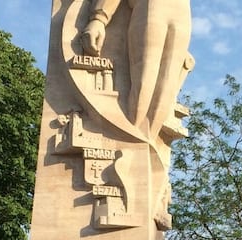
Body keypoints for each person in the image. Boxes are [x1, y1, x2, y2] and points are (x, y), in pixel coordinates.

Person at [81, 0, 191, 139]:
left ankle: (148, 145)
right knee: (144, 86)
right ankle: (132, 143)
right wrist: (99, 18)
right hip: (150, 6)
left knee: (165, 93)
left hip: (181, 12)